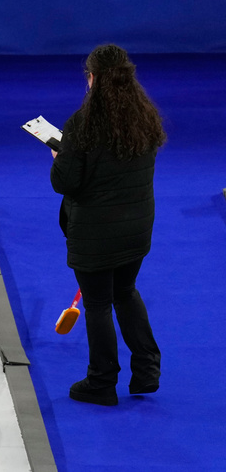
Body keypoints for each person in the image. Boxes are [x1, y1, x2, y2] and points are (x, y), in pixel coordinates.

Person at [50, 43, 163, 406]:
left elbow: (65, 183)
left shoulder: (82, 124)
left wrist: (59, 154)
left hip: (96, 233)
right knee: (125, 291)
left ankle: (101, 381)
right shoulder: (145, 117)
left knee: (98, 304)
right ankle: (146, 369)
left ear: (92, 78)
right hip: (137, 227)